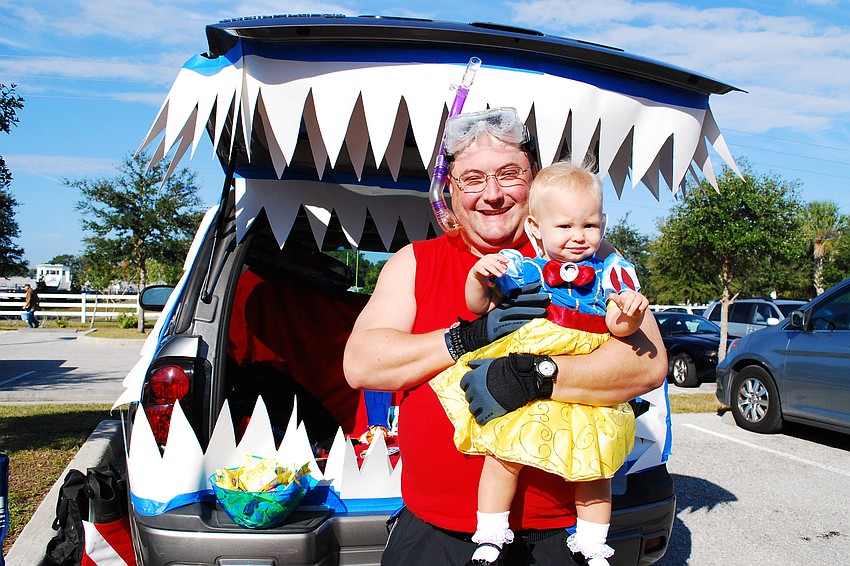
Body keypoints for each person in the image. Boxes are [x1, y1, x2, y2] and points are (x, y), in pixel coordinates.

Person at [343, 107, 666, 566]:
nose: (491, 195)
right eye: (472, 179)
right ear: (450, 189)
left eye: (509, 175)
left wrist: (537, 375)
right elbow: (361, 364)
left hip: (558, 534)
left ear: (534, 183)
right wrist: (465, 339)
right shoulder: (416, 262)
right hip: (435, 534)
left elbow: (647, 364)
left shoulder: (593, 258)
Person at [430, 160, 649, 566]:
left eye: (589, 226)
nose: (578, 237)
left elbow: (619, 329)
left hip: (583, 365)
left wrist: (630, 311)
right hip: (530, 353)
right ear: (536, 228)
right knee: (504, 452)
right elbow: (476, 306)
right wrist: (478, 276)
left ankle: (593, 543)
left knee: (594, 464)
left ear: (603, 223)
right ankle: (491, 533)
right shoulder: (522, 265)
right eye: (565, 227)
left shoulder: (612, 271)